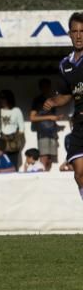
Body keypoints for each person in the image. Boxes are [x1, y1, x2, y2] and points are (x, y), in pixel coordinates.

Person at [43, 12, 83, 203]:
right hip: (79, 124)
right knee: (79, 174)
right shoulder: (65, 65)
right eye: (75, 31)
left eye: (82, 31)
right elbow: (67, 94)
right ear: (69, 34)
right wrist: (54, 101)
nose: (79, 35)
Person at [29, 78, 64, 171]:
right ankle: (42, 179)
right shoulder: (37, 100)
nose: (47, 88)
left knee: (49, 159)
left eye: (48, 86)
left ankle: (47, 179)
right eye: (44, 86)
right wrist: (50, 117)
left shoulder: (52, 99)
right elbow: (32, 117)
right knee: (43, 158)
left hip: (52, 132)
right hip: (43, 133)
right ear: (41, 88)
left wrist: (56, 118)